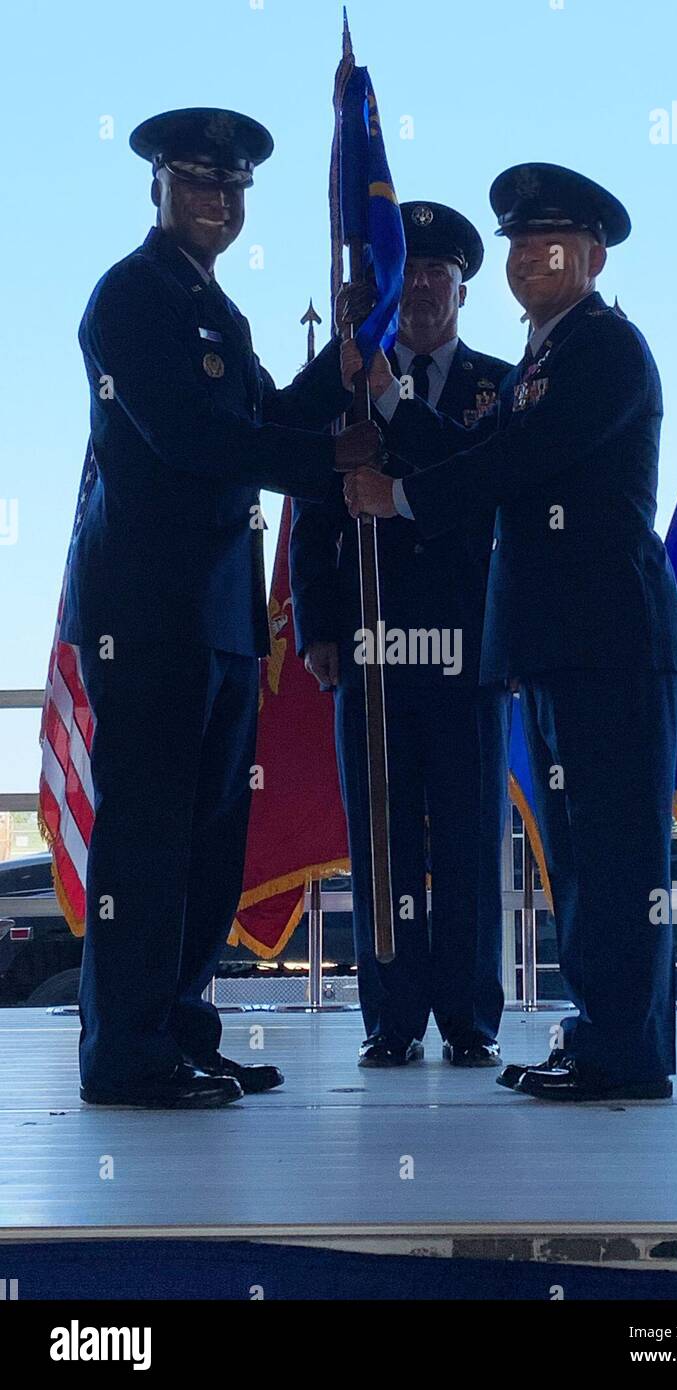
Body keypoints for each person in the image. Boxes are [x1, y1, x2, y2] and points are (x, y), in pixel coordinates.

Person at [342, 163, 677, 1102]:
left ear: (589, 258)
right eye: (518, 243)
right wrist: (386, 403)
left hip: (608, 641)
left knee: (614, 857)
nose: (529, 257)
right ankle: (606, 1037)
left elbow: (514, 461)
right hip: (557, 645)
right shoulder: (547, 356)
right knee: (580, 856)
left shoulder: (603, 348)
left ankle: (620, 1050)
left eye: (550, 243)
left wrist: (400, 494)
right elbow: (476, 448)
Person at [62, 107, 381, 1108]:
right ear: (155, 186)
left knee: (206, 844)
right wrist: (335, 461)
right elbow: (198, 442)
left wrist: (339, 366)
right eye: (200, 179)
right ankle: (125, 1053)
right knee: (147, 838)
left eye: (235, 186)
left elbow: (262, 420)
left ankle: (181, 1030)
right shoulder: (130, 298)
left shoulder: (217, 311)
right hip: (148, 614)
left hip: (220, 620)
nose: (220, 198)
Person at [291, 202, 512, 1067]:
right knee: (379, 839)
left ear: (462, 288)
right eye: (406, 274)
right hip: (369, 647)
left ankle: (467, 1018)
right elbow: (311, 507)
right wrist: (317, 623)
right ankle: (389, 1018)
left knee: (466, 837)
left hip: (465, 648)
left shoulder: (501, 386)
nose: (420, 288)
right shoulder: (349, 383)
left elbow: (483, 486)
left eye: (436, 275)